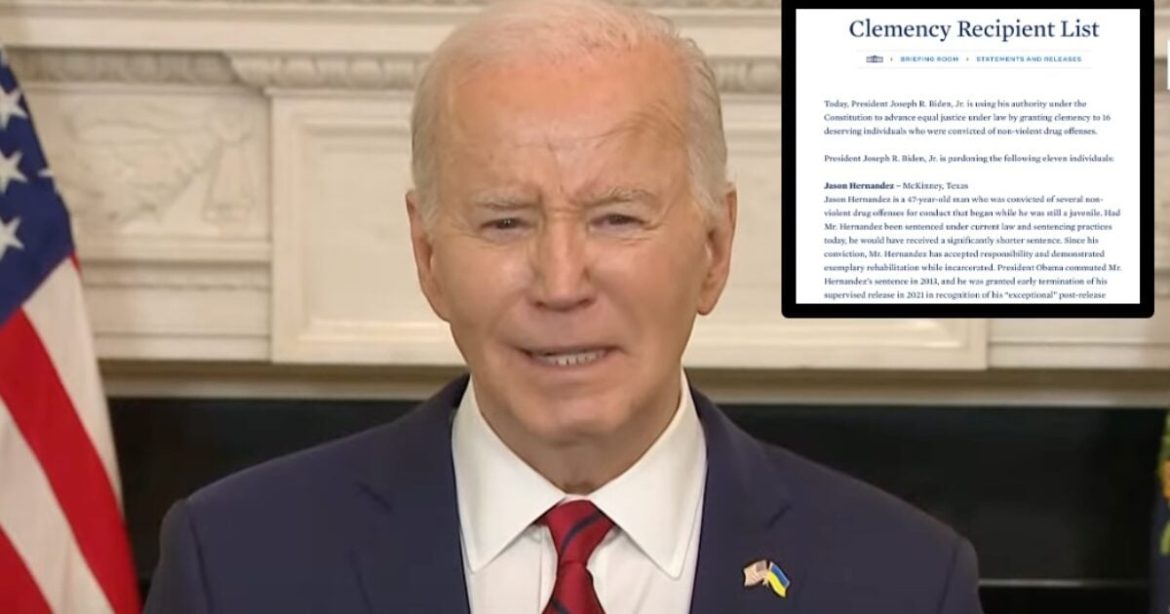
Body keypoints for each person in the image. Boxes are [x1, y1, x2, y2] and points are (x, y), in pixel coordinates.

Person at [144, 0, 984, 612]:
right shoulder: (238, 563)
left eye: (617, 218)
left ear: (714, 249)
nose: (560, 281)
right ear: (429, 257)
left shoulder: (904, 582)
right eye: (504, 221)